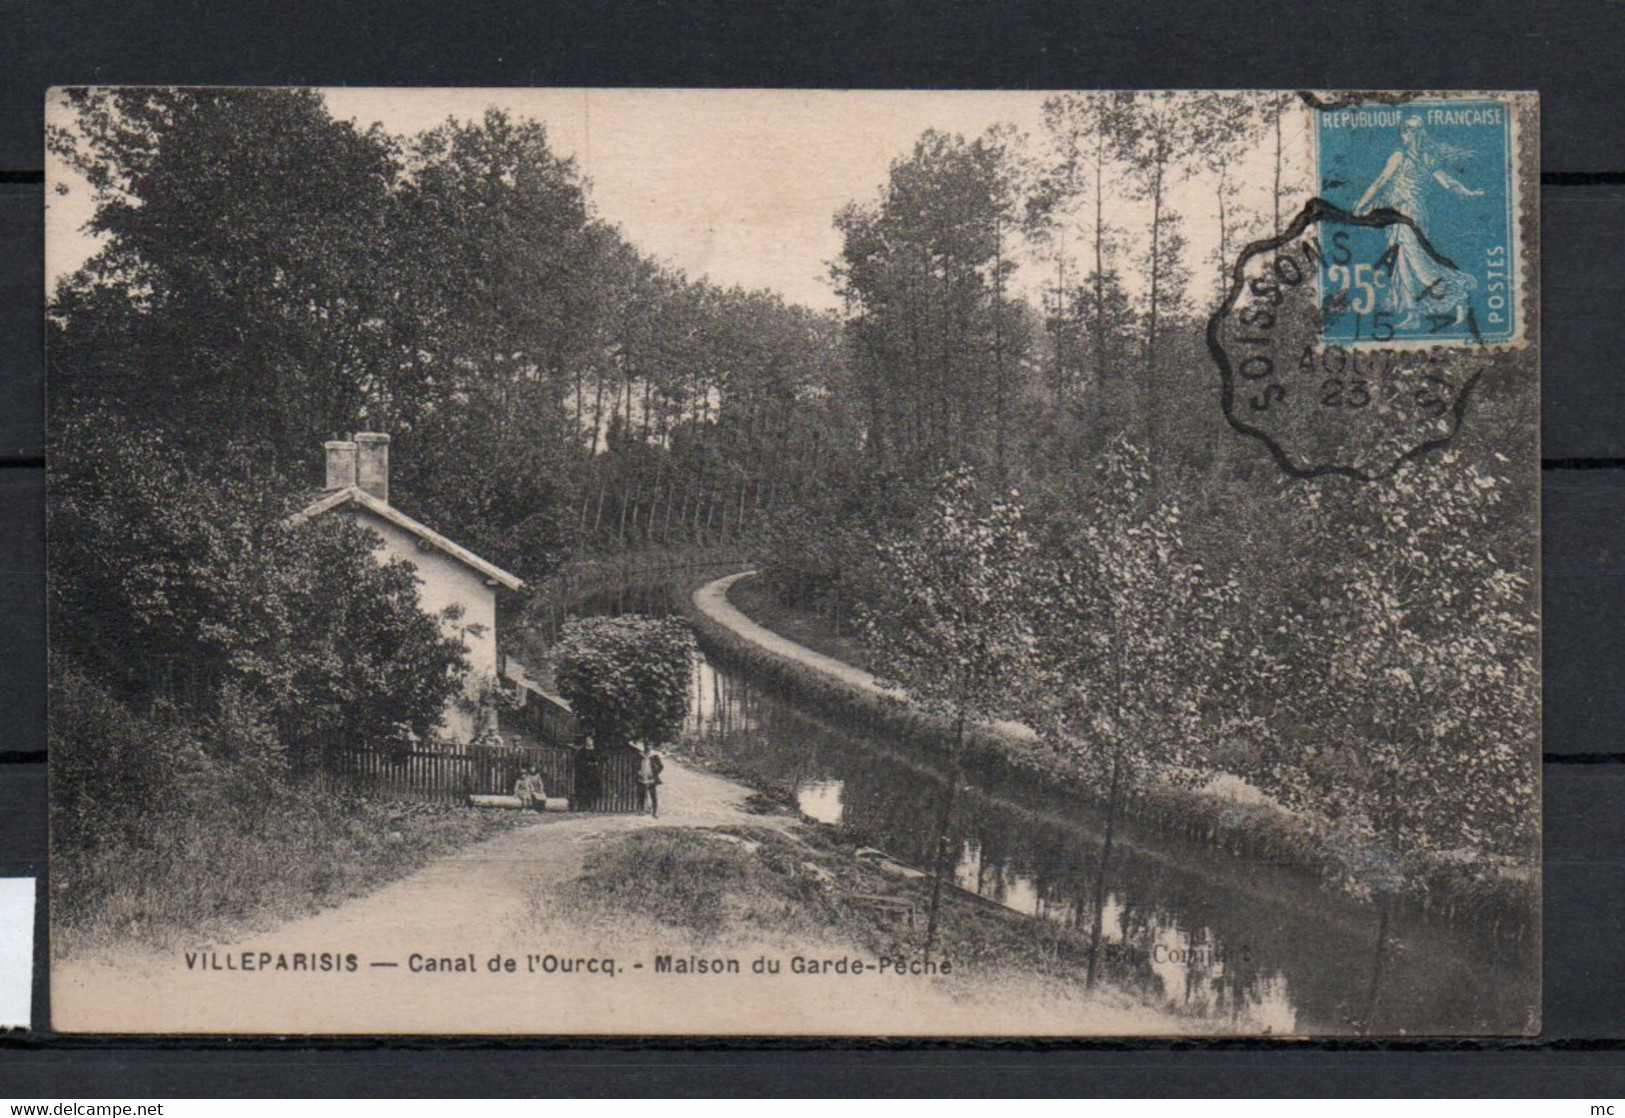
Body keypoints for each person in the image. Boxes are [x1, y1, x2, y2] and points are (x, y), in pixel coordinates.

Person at [1351, 115, 1485, 331]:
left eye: (1412, 130)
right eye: (1405, 129)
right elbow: (1380, 184)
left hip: (1412, 215)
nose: (1408, 134)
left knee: (1418, 261)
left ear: (1420, 133)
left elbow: (1448, 182)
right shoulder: (1400, 157)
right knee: (1400, 263)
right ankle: (1412, 314)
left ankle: (1459, 292)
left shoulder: (1425, 158)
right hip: (1396, 214)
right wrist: (1363, 205)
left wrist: (1468, 192)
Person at [637, 743, 665, 818]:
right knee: (641, 794)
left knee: (653, 795)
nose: (647, 747)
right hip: (642, 777)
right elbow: (636, 765)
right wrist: (638, 771)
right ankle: (642, 809)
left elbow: (661, 766)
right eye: (646, 746)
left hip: (651, 778)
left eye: (649, 746)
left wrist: (655, 772)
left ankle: (655, 812)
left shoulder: (654, 756)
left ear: (651, 747)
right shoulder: (641, 756)